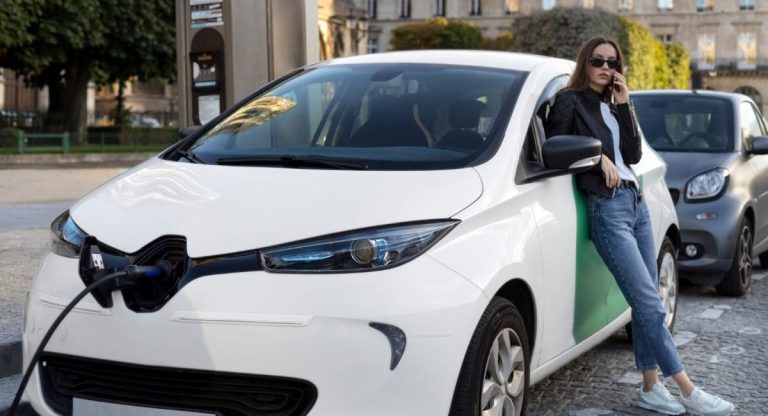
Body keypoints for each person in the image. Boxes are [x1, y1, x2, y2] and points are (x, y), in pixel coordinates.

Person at [544, 36, 735, 416]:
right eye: (597, 60)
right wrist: (597, 159)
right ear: (585, 63)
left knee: (646, 303)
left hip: (636, 202)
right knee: (649, 303)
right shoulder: (570, 100)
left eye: (612, 62)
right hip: (606, 206)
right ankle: (687, 389)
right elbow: (555, 146)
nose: (604, 67)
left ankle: (650, 388)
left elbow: (632, 154)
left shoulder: (613, 103)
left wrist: (625, 103)